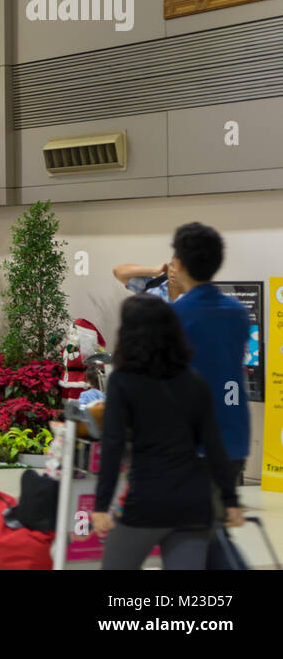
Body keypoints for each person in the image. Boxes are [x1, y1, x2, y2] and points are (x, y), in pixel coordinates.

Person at [92, 294, 244, 569]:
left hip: (147, 500)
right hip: (194, 505)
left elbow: (113, 445)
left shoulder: (123, 382)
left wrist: (102, 506)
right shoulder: (194, 381)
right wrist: (230, 499)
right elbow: (213, 444)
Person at [167, 222, 251, 485]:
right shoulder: (238, 312)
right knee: (214, 518)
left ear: (178, 263)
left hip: (192, 441)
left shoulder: (174, 315)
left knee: (187, 522)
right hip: (234, 438)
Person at [112, 261, 181, 302]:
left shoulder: (190, 295)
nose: (174, 271)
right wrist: (155, 271)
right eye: (173, 265)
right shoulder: (155, 283)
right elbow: (119, 272)